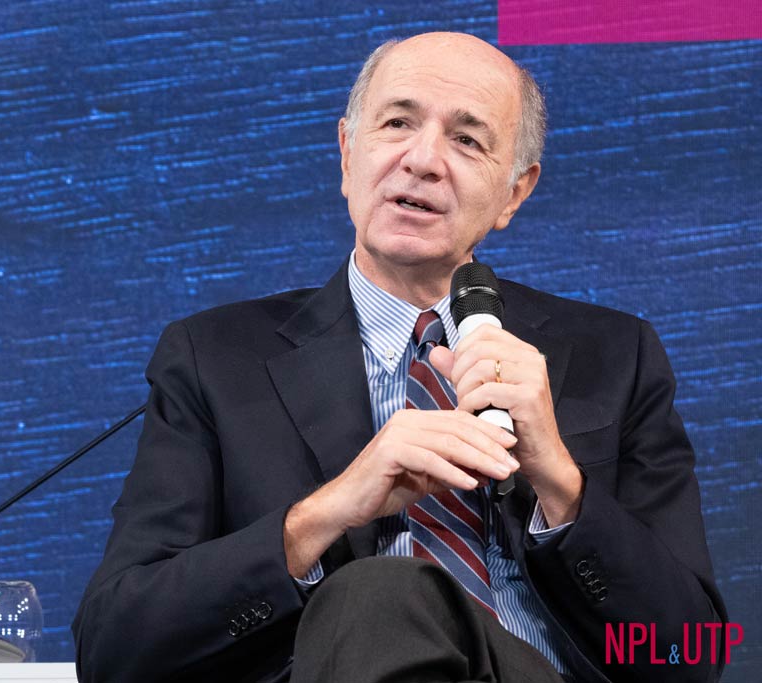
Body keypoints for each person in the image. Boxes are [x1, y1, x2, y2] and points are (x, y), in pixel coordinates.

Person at [72, 32, 726, 683]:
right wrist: (328, 511)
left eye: (466, 139)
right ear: (347, 152)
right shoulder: (216, 359)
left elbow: (691, 657)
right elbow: (115, 650)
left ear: (515, 192)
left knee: (385, 594)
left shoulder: (614, 356)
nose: (423, 160)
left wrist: (560, 483)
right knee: (381, 594)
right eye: (397, 123)